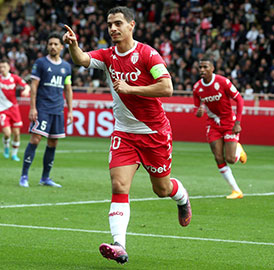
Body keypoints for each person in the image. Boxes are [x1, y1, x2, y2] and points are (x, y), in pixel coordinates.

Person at [63, 6, 191, 265]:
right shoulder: (108, 56)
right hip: (124, 133)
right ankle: (119, 244)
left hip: (154, 133)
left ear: (131, 25)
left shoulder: (147, 54)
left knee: (161, 188)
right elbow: (82, 60)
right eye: (109, 24)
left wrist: (131, 89)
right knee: (119, 185)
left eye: (118, 23)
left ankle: (182, 197)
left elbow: (167, 87)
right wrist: (73, 45)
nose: (113, 28)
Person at [18, 32, 73, 188]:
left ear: (62, 47)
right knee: (35, 139)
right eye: (50, 44)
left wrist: (70, 110)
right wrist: (33, 108)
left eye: (56, 44)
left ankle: (45, 178)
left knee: (53, 142)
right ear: (47, 46)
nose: (53, 46)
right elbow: (33, 87)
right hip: (42, 108)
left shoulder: (66, 67)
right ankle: (24, 176)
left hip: (57, 110)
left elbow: (68, 89)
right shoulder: (41, 63)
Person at [192, 57, 247, 200]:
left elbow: (239, 100)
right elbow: (197, 108)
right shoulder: (197, 88)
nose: (202, 70)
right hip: (213, 124)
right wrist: (198, 113)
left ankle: (238, 150)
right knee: (218, 157)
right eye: (200, 67)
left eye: (205, 67)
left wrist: (238, 122)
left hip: (229, 123)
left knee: (230, 159)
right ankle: (236, 191)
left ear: (212, 69)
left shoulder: (223, 82)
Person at [0, 56, 30, 161]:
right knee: (7, 133)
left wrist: (26, 90)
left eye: (4, 66)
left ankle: (14, 154)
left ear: (9, 67)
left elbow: (26, 85)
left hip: (14, 109)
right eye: (0, 67)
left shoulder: (14, 78)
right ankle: (6, 147)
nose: (2, 69)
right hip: (1, 109)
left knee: (17, 133)